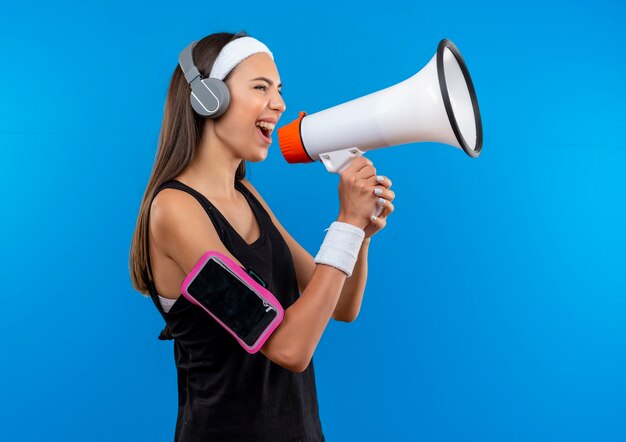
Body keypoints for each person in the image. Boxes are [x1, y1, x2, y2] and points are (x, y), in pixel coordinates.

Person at [129, 31, 396, 442]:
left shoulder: (247, 195)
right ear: (208, 99)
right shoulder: (174, 211)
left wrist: (360, 234)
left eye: (279, 89)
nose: (280, 103)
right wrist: (344, 223)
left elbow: (342, 305)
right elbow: (289, 348)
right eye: (260, 87)